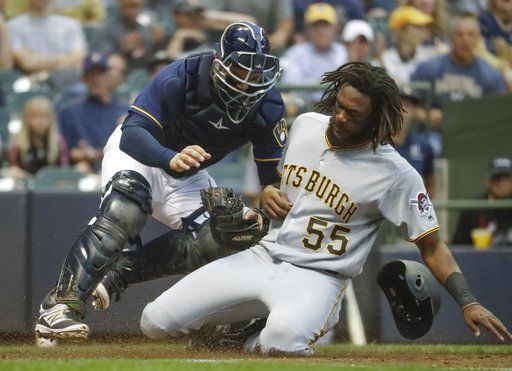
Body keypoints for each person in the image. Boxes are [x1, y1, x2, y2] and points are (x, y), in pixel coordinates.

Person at [139, 62, 511, 355]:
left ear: (377, 120)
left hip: (319, 277)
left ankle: (249, 337)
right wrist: (267, 193)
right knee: (153, 321)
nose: (342, 117)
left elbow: (431, 245)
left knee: (280, 343)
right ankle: (239, 327)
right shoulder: (305, 126)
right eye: (340, 106)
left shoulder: (396, 173)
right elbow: (275, 192)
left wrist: (468, 301)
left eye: (355, 115)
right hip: (265, 255)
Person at [34, 22, 290, 343]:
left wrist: (269, 187)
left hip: (187, 172)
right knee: (124, 213)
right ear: (218, 60)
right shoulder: (180, 78)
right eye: (241, 68)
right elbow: (133, 133)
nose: (249, 80)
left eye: (257, 70)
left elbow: (268, 162)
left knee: (224, 237)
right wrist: (168, 157)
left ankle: (127, 276)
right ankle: (58, 308)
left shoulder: (268, 105)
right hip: (147, 153)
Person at [58, 53, 129, 174]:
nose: (95, 79)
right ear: (84, 79)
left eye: (100, 74)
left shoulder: (124, 111)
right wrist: (83, 155)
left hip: (119, 169)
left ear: (108, 76)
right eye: (91, 75)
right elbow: (68, 151)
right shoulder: (70, 113)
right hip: (87, 174)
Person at [6, 0, 87, 92]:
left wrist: (44, 68)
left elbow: (79, 58)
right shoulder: (13, 26)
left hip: (69, 82)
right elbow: (27, 62)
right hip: (32, 85)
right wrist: (65, 59)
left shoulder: (71, 24)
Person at [280, 3, 348, 102]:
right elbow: (290, 85)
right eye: (315, 26)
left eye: (325, 25)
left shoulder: (341, 51)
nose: (320, 31)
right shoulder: (295, 52)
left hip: (332, 106)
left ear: (335, 29)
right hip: (303, 108)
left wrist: (314, 84)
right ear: (307, 29)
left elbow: (342, 85)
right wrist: (320, 83)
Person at [452, 157, 512, 246]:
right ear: (488, 181)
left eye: (506, 178)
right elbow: (459, 248)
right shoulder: (473, 209)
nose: (501, 183)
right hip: (481, 259)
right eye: (496, 178)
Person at [7, 96, 69, 177]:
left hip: (52, 187)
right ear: (26, 118)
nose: (40, 122)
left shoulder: (58, 142)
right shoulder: (17, 143)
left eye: (44, 116)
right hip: (25, 187)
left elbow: (64, 171)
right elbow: (12, 170)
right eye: (35, 116)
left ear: (51, 119)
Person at [393, 86, 435, 197]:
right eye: (399, 104)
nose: (403, 110)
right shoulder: (377, 143)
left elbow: (430, 184)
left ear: (414, 111)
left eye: (408, 105)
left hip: (410, 209)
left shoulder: (424, 146)